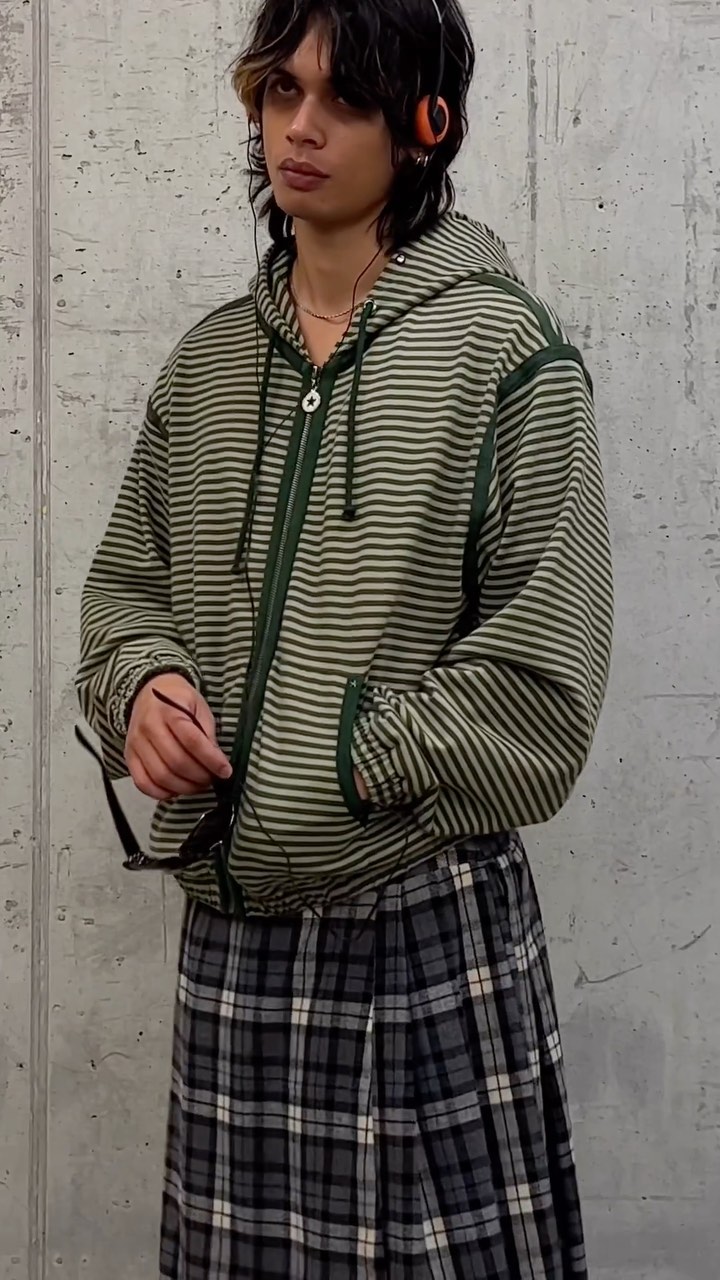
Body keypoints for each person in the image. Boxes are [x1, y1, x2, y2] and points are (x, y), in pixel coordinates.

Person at [77, 0, 613, 1275]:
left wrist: (336, 754)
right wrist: (142, 686)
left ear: (425, 124)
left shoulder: (507, 356)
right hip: (235, 947)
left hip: (423, 932)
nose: (300, 127)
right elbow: (122, 594)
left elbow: (545, 690)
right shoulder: (207, 368)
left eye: (344, 98)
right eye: (281, 91)